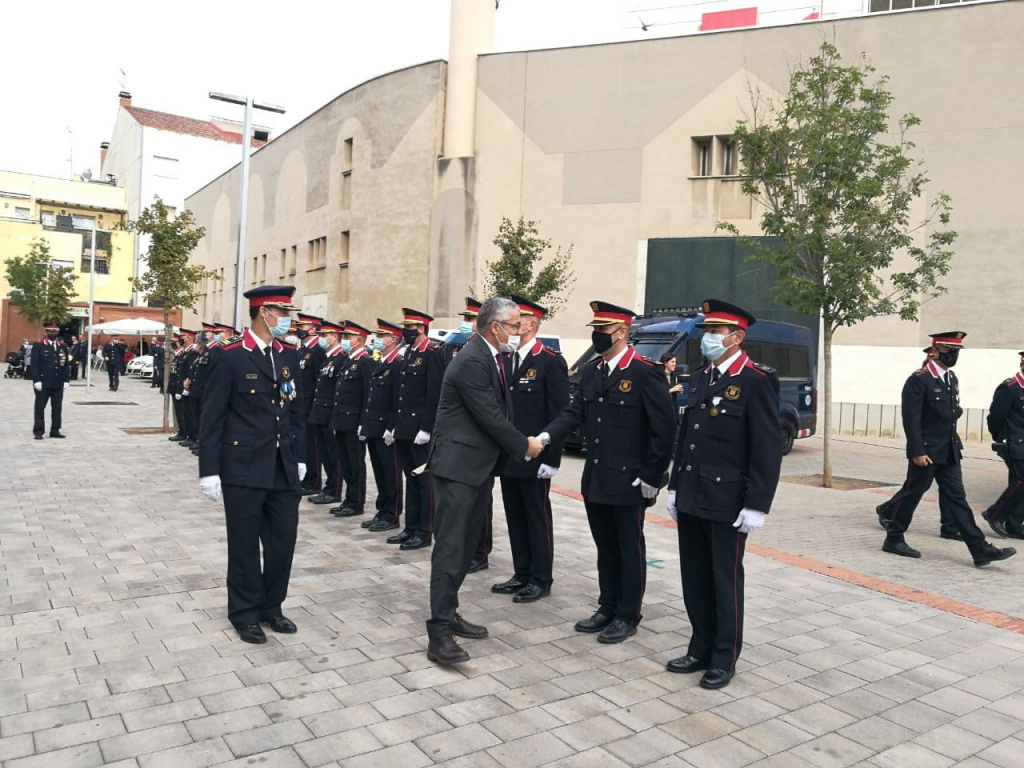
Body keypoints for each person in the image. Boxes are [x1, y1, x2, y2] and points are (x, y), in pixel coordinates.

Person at [538, 301, 675, 645]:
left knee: (628, 547)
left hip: (630, 480)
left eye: (603, 330)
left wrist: (651, 476)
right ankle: (607, 605)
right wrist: (545, 435)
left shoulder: (645, 372)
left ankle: (628, 613)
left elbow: (665, 430)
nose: (597, 335)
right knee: (605, 546)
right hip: (597, 477)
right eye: (595, 330)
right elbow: (575, 413)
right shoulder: (594, 370)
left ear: (622, 331)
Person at [664, 300, 782, 690]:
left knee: (724, 578)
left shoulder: (756, 380)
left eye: (715, 333)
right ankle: (699, 646)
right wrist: (675, 486)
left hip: (728, 500)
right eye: (707, 333)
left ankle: (723, 656)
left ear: (737, 337)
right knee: (694, 576)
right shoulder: (701, 377)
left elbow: (765, 448)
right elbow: (687, 437)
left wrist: (756, 504)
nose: (708, 340)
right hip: (693, 492)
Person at [425, 297, 545, 664]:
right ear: (495, 327)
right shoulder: (472, 360)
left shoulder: (489, 355)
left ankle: (449, 612)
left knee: (464, 549)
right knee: (450, 549)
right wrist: (525, 445)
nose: (519, 330)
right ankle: (439, 633)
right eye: (514, 325)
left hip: (476, 468)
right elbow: (490, 416)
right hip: (458, 468)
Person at [198, 285, 306, 644]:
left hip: (283, 466)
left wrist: (301, 456)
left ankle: (272, 607)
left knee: (282, 543)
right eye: (283, 312)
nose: (289, 319)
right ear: (265, 313)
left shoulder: (288, 355)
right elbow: (211, 416)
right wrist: (209, 470)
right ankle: (244, 613)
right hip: (242, 466)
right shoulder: (230, 356)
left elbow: (295, 412)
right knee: (244, 545)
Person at [876, 332, 1015, 567]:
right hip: (927, 451)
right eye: (949, 350)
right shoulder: (919, 379)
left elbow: (952, 413)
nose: (953, 355)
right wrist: (917, 451)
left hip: (949, 449)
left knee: (957, 499)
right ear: (934, 350)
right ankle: (894, 538)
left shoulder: (951, 378)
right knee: (912, 493)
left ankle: (980, 550)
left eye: (957, 351)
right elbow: (911, 419)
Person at [492, 295, 569, 602]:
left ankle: (540, 577)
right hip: (510, 454)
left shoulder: (550, 360)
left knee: (536, 518)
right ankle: (521, 572)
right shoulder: (505, 358)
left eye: (516, 318)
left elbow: (560, 413)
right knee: (515, 516)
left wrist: (552, 459)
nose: (511, 322)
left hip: (536, 456)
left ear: (531, 323)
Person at [390, 309, 445, 551]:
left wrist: (427, 428)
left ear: (421, 328)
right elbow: (401, 394)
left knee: (424, 482)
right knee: (410, 479)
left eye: (409, 328)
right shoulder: (409, 353)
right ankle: (411, 526)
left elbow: (435, 394)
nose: (406, 332)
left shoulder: (432, 354)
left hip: (420, 429)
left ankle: (424, 530)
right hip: (404, 426)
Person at [361, 320, 406, 533]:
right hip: (374, 426)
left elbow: (398, 399)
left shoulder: (397, 364)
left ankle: (392, 513)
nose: (378, 340)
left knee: (391, 472)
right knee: (379, 471)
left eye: (382, 336)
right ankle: (382, 509)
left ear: (393, 339)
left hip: (386, 428)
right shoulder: (380, 362)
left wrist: (393, 427)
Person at [330, 321, 374, 518]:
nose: (345, 341)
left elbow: (367, 395)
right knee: (346, 462)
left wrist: (363, 423)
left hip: (354, 421)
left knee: (356, 464)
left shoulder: (365, 362)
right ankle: (349, 498)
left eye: (348, 337)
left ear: (359, 340)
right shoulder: (349, 361)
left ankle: (356, 501)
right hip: (342, 420)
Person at [982, 351, 1024, 540]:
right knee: (1020, 481)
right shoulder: (1010, 388)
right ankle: (995, 513)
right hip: (1013, 443)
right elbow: (995, 417)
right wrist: (1002, 438)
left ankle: (1015, 524)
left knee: (1020, 483)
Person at [307, 321, 348, 505]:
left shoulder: (340, 358)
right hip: (320, 413)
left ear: (334, 337)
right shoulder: (327, 358)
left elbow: (339, 390)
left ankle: (334, 490)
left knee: (334, 455)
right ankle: (329, 487)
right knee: (324, 454)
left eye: (325, 335)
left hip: (330, 412)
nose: (322, 338)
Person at [294, 314, 327, 495]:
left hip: (311, 406)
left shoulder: (317, 351)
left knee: (312, 446)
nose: (299, 328)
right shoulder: (302, 350)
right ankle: (305, 478)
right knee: (302, 444)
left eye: (303, 325)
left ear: (313, 329)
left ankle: (313, 482)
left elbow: (319, 381)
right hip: (300, 405)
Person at [31, 324, 70, 439]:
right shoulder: (39, 346)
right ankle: (38, 431)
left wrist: (66, 379)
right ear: (46, 332)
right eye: (50, 332)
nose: (53, 334)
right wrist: (36, 380)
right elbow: (34, 365)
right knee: (40, 407)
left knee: (57, 408)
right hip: (43, 382)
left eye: (55, 332)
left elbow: (65, 364)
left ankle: (55, 430)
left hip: (58, 382)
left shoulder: (62, 347)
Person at [659, 351, 685, 417]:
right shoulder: (658, 377)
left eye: (675, 362)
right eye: (672, 362)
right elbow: (656, 394)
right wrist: (672, 390)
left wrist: (678, 391)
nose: (675, 364)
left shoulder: (674, 377)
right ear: (665, 363)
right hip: (661, 411)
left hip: (673, 410)